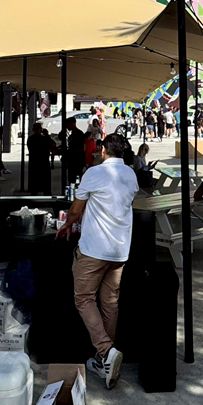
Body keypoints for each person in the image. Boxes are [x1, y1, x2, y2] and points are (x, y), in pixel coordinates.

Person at [57, 133, 137, 389]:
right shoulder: (131, 175)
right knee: (110, 303)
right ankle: (104, 361)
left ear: (103, 151)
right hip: (120, 249)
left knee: (83, 298)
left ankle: (105, 350)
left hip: (94, 248)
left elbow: (76, 209)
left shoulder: (94, 173)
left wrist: (67, 225)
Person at [27, 122, 56, 194]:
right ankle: (45, 192)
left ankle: (36, 192)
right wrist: (46, 135)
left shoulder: (31, 139)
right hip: (43, 162)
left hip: (35, 162)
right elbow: (53, 144)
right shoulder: (44, 139)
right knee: (44, 180)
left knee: (35, 180)